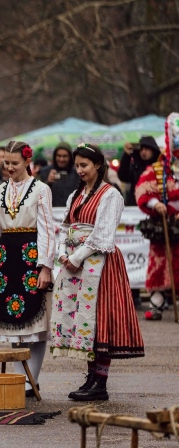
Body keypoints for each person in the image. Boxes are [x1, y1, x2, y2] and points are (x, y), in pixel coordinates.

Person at [51, 143, 144, 400]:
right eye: (77, 165)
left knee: (100, 319)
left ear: (98, 165)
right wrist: (62, 254)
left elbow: (102, 235)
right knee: (83, 319)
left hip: (101, 264)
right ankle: (91, 378)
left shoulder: (110, 195)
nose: (79, 170)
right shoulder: (76, 195)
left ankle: (100, 382)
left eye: (84, 165)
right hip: (77, 263)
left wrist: (76, 257)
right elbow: (66, 227)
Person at [0, 141, 55, 397]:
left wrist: (45, 267)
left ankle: (30, 380)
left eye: (15, 163)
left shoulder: (41, 189)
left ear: (28, 161)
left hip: (31, 256)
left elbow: (47, 230)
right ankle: (19, 378)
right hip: (7, 257)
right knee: (14, 322)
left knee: (35, 323)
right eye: (6, 163)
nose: (10, 167)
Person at [135, 150, 179, 321]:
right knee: (159, 268)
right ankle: (156, 307)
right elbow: (143, 190)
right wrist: (155, 204)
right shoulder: (157, 169)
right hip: (164, 227)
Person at [119, 136, 160, 206]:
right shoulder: (136, 166)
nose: (143, 152)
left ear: (153, 150)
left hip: (155, 205)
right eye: (141, 149)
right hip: (135, 206)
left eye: (147, 149)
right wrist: (126, 156)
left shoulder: (159, 167)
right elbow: (123, 176)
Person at [37, 142, 81, 207]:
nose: (61, 159)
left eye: (65, 156)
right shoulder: (44, 172)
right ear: (55, 156)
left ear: (70, 157)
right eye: (59, 156)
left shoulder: (78, 174)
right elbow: (36, 195)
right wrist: (48, 183)